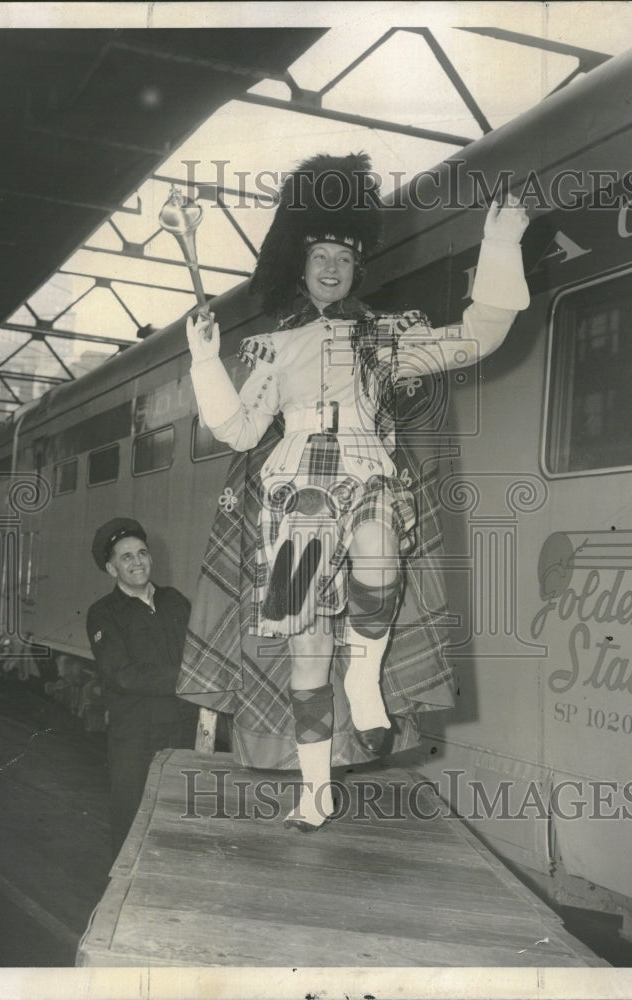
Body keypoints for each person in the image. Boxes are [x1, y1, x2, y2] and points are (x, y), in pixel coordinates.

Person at [177, 153, 529, 831]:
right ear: (299, 264)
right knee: (307, 649)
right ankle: (314, 792)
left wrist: (502, 243)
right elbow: (238, 431)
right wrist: (202, 360)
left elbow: (480, 335)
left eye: (344, 254)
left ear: (357, 265)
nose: (332, 266)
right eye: (320, 254)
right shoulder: (273, 349)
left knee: (377, 545)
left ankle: (364, 675)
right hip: (297, 491)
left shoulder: (386, 337)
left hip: (366, 471)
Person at [87, 517, 197, 856]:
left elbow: (199, 652)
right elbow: (124, 675)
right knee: (132, 819)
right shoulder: (104, 614)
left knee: (179, 816)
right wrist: (190, 679)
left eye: (142, 553)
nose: (138, 562)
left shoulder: (175, 600)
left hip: (182, 729)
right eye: (126, 557)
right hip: (136, 737)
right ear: (111, 568)